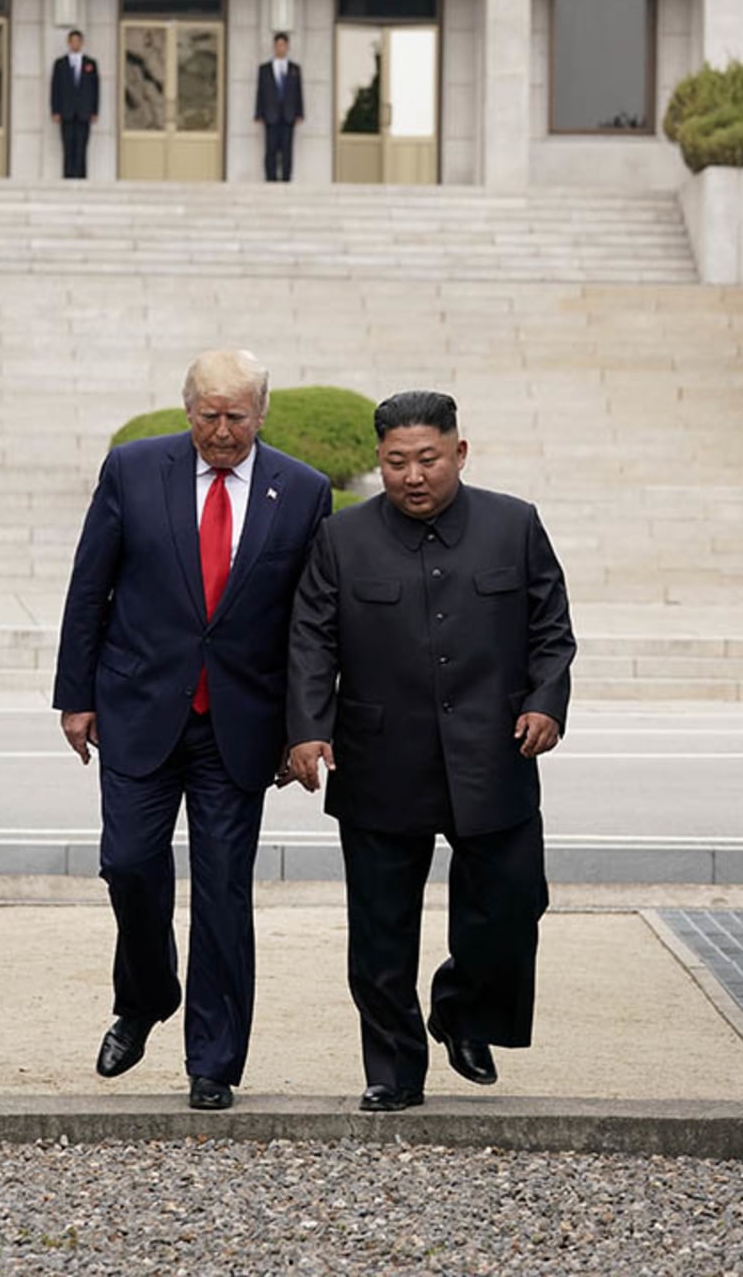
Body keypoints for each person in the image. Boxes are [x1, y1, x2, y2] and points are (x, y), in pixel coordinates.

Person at [54, 349, 330, 1111]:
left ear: (261, 413)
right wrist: (75, 698)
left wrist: (304, 726)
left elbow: (312, 623)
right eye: (209, 414)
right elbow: (90, 586)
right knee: (130, 866)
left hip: (240, 726)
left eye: (236, 416)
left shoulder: (302, 492)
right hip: (138, 709)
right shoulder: (134, 470)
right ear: (187, 410)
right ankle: (145, 996)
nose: (222, 430)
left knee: (222, 894)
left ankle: (214, 1062)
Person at [286, 390, 575, 1113]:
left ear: (459, 453)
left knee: (513, 907)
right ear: (379, 461)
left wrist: (545, 702)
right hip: (380, 758)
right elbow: (311, 640)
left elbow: (552, 631)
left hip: (495, 751)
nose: (414, 476)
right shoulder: (341, 538)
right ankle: (392, 1069)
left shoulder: (515, 525)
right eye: (395, 463)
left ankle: (463, 1011)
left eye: (428, 460)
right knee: (381, 928)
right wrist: (306, 727)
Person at [51, 29, 101, 180]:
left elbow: (95, 88)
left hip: (84, 111)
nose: (75, 44)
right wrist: (55, 110)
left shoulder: (90, 64)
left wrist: (94, 111)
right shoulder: (60, 64)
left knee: (81, 145)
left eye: (78, 41)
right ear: (69, 43)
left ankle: (81, 176)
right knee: (67, 146)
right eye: (72, 41)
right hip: (66, 111)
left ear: (82, 43)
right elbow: (55, 88)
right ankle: (68, 175)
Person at [254, 32, 304, 183]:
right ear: (274, 47)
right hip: (271, 115)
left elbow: (298, 92)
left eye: (283, 45)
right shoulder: (265, 69)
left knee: (287, 151)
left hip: (288, 115)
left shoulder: (295, 69)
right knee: (271, 151)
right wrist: (259, 114)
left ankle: (286, 180)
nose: (280, 48)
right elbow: (260, 92)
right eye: (278, 45)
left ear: (287, 47)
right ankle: (271, 180)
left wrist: (299, 113)